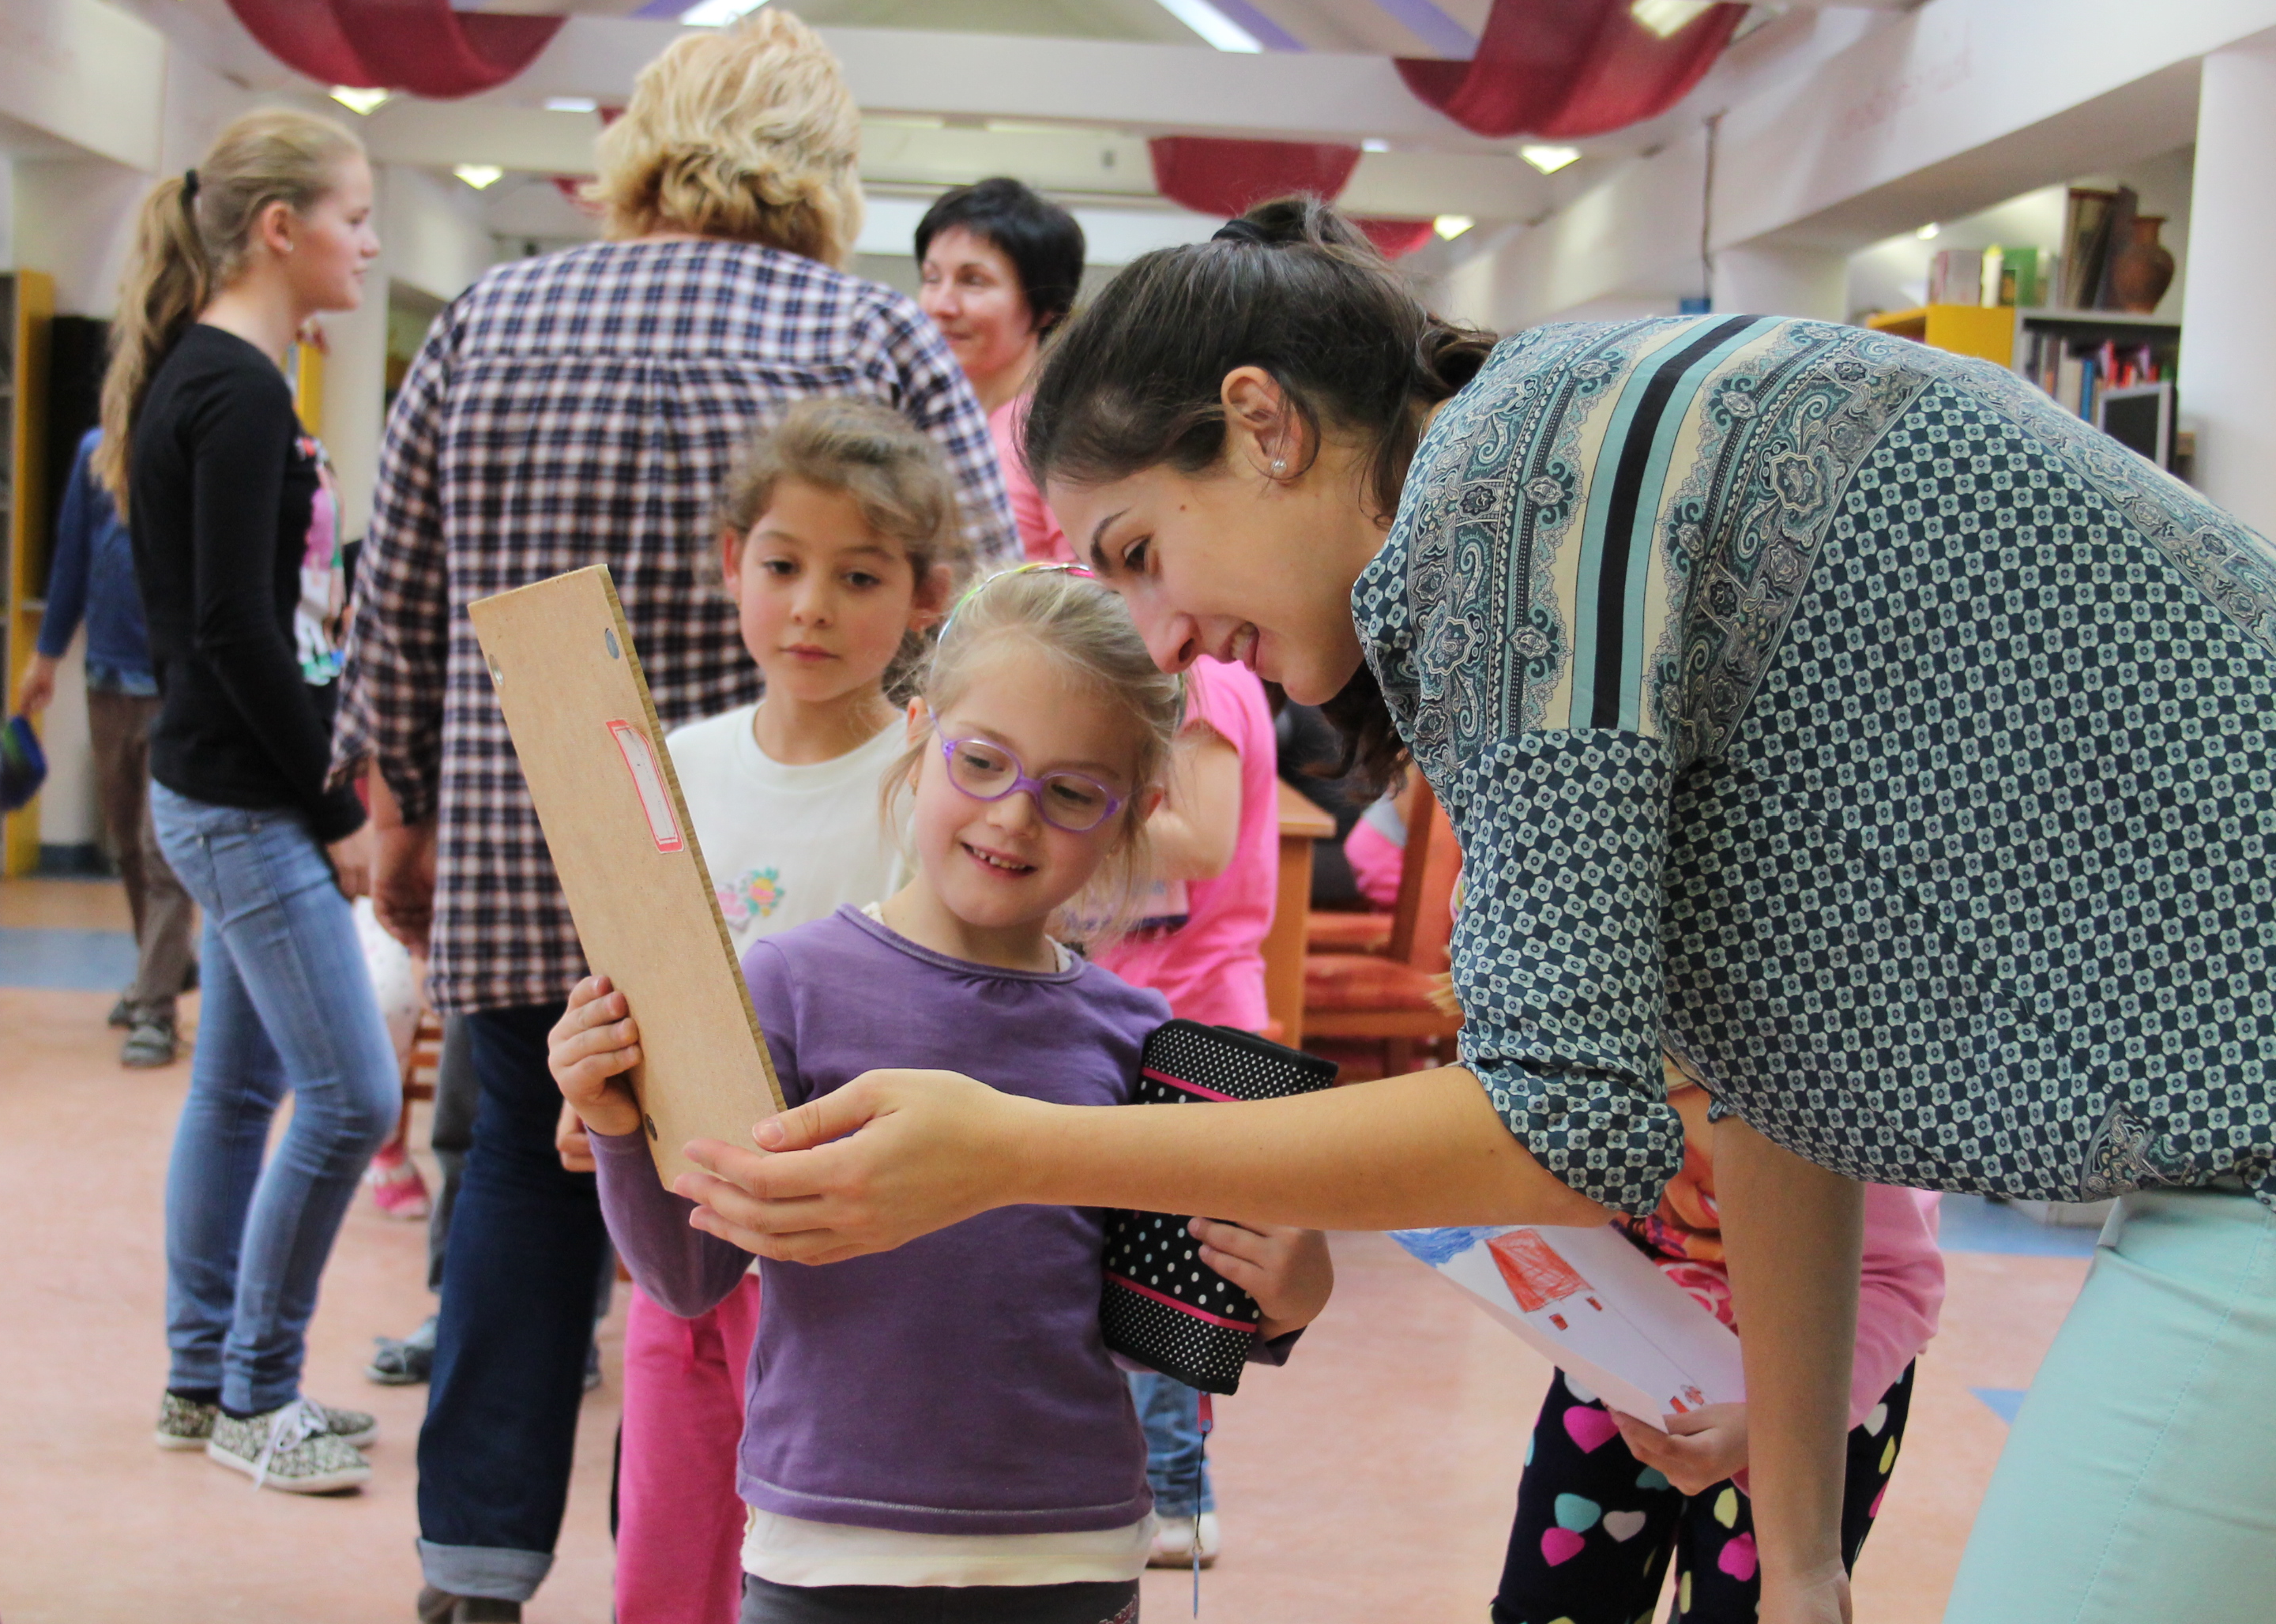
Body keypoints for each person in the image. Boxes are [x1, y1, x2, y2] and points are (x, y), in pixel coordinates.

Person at [669, 197, 2276, 1624]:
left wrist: (1018, 1148)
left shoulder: (1511, 507)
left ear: (1261, 424)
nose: (1159, 637)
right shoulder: (1556, 470)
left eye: (1143, 551)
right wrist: (1798, 1558)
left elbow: (1553, 1128)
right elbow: (1777, 1078)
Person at [329, 14, 1017, 1618]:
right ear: (821, 163)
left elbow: (395, 599)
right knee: (737, 1261)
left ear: (643, 135)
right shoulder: (870, 335)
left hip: (527, 872)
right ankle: (708, 1562)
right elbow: (985, 607)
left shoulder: (491, 317)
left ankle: (473, 1574)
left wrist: (401, 814)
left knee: (517, 1192)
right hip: (790, 907)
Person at [552, 565, 1331, 1624]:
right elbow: (690, 1275)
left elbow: (1172, 1315)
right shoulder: (788, 988)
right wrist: (616, 1125)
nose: (1014, 817)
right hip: (826, 1553)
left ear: (1134, 816)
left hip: (1070, 1554)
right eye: (981, 761)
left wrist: (1289, 1293)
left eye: (1071, 793)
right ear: (918, 736)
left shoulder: (1139, 1037)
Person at [574, 397, 966, 1624]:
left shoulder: (927, 783)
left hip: (834, 1255)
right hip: (682, 1228)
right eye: (784, 566)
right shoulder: (675, 766)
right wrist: (605, 1096)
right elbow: (635, 976)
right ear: (731, 561)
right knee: (667, 1547)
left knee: (800, 1553)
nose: (812, 608)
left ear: (926, 595)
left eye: (860, 576)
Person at [102, 107, 396, 1494]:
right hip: (239, 798)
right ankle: (254, 1393)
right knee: (352, 1095)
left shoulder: (216, 373)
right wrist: (336, 805)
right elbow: (236, 626)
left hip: (218, 785)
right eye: (355, 216)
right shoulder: (232, 389)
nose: (368, 243)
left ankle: (197, 1379)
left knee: (238, 1090)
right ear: (280, 229)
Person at [1491, 1064, 1944, 1623]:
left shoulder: (1827, 1074)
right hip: (1628, 1352)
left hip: (1821, 1385)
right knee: (1551, 1602)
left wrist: (1778, 1424)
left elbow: (1894, 1282)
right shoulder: (1576, 1053)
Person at [1092, 654, 1277, 1568]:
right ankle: (1161, 1490)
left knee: (1167, 1264)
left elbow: (1201, 840)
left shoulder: (1204, 675)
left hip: (1195, 1009)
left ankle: (1175, 1494)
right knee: (1135, 1256)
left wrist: (1061, 799)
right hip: (1140, 996)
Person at [15, 425, 196, 1069]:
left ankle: (156, 1008)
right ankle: (162, 965)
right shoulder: (95, 452)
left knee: (161, 848)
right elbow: (73, 556)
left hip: (176, 684)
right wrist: (46, 657)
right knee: (126, 844)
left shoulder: (190, 444)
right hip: (108, 679)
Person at [915, 178, 1085, 562]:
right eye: (931, 278)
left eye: (973, 281)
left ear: (1048, 308)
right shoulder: (922, 423)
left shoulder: (1061, 429)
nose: (941, 305)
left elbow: (1087, 583)